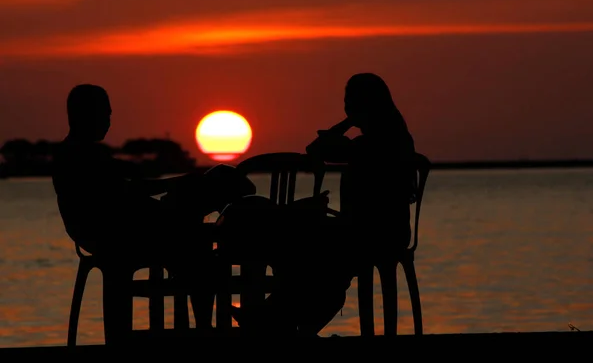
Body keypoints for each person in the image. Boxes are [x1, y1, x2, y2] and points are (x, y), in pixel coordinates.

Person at [226, 72, 417, 336]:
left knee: (307, 247)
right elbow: (316, 150)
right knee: (312, 254)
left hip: (376, 233)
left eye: (352, 103)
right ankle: (282, 320)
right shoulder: (394, 137)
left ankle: (277, 319)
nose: (348, 108)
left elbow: (314, 150)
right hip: (371, 230)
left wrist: (347, 123)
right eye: (346, 104)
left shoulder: (372, 144)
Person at [51, 84, 256, 328]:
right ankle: (207, 325)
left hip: (124, 224)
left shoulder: (82, 152)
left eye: (109, 115)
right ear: (85, 115)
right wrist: (175, 184)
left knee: (196, 227)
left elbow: (128, 187)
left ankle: (222, 213)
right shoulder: (78, 155)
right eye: (105, 114)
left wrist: (169, 188)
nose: (108, 122)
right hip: (113, 232)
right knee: (201, 229)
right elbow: (125, 193)